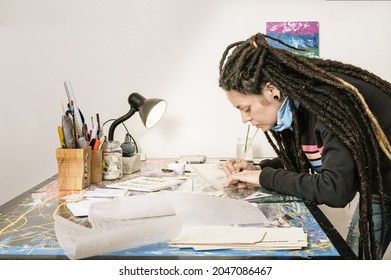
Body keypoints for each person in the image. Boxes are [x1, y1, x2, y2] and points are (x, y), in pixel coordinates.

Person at [219, 33, 391, 260]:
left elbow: (336, 190)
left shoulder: (330, 106)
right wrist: (258, 169)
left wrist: (262, 177)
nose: (244, 119)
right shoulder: (299, 110)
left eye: (246, 108)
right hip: (381, 186)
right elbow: (308, 159)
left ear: (272, 90)